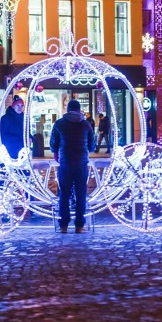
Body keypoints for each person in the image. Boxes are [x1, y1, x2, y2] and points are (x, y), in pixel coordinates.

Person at [49, 99, 95, 234]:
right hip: (81, 163)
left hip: (65, 162)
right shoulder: (86, 125)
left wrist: (57, 152)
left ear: (67, 109)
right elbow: (92, 146)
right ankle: (79, 225)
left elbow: (53, 144)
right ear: (79, 109)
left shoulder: (59, 124)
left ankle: (63, 225)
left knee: (64, 193)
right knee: (81, 193)